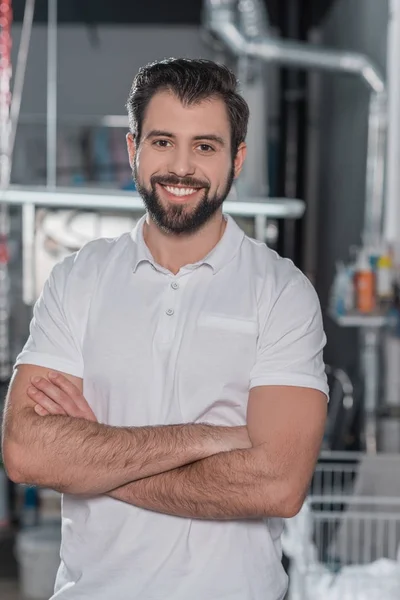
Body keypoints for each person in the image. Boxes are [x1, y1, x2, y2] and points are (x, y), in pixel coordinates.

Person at [2, 58, 328, 600]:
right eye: (161, 142)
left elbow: (276, 483)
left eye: (205, 146)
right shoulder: (79, 277)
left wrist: (93, 459)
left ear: (236, 159)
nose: (181, 167)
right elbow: (25, 452)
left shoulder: (281, 291)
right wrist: (207, 437)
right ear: (133, 149)